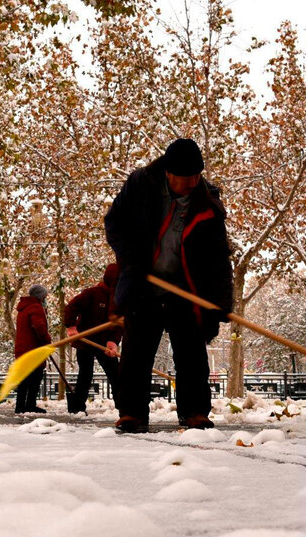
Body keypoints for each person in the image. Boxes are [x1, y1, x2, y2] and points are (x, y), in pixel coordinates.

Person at [104, 138, 231, 433]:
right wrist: (132, 260)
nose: (193, 181)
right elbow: (114, 223)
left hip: (185, 286)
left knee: (191, 352)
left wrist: (221, 300)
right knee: (136, 351)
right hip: (142, 283)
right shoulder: (140, 186)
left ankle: (195, 412)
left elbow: (218, 256)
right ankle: (132, 413)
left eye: (198, 175)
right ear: (168, 173)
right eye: (187, 176)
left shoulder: (208, 203)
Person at [63, 262, 122, 414]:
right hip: (86, 342)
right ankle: (77, 407)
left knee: (116, 374)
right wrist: (71, 327)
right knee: (86, 373)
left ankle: (123, 406)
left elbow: (119, 323)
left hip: (105, 344)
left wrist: (113, 342)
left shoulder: (119, 299)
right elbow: (71, 308)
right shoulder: (92, 293)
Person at [14, 284, 51, 414]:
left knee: (25, 378)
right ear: (40, 297)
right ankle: (28, 405)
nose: (46, 299)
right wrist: (47, 340)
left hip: (23, 349)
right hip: (33, 349)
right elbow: (39, 326)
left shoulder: (24, 308)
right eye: (45, 297)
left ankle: (21, 405)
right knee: (35, 378)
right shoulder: (35, 307)